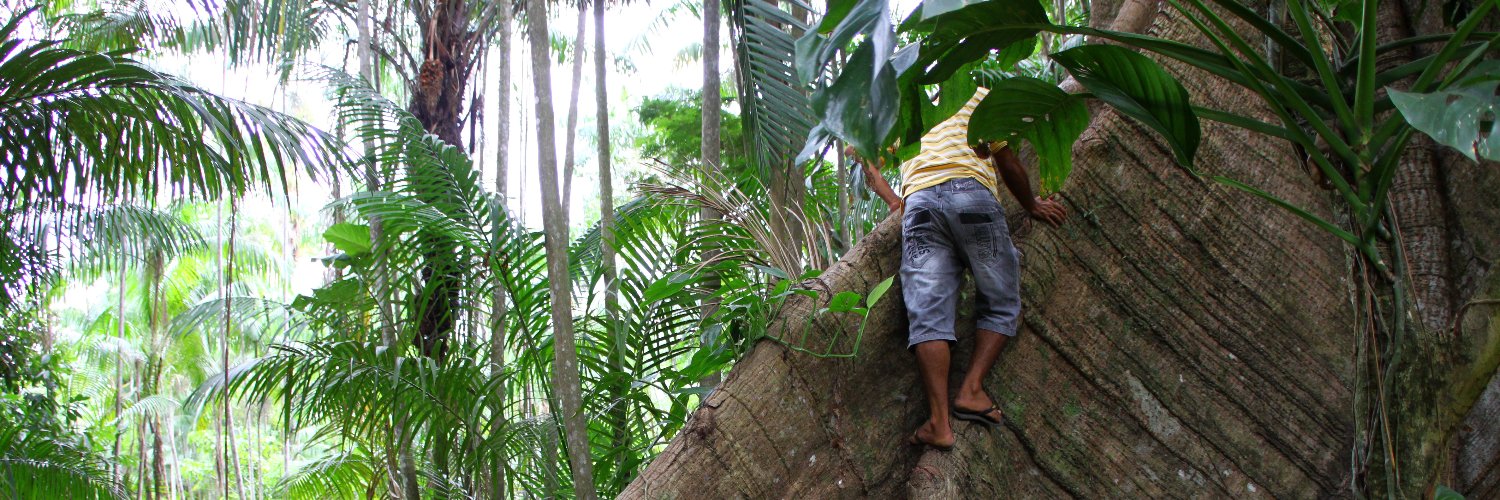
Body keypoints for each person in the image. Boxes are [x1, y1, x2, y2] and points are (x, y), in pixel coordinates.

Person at [853, 87, 1067, 450]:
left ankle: (939, 422)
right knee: (1000, 299)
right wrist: (1030, 204)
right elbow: (1008, 160)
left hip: (919, 205)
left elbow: (864, 155)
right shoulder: (976, 93)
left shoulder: (905, 107)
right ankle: (971, 389)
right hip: (972, 195)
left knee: (928, 315)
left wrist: (894, 201)